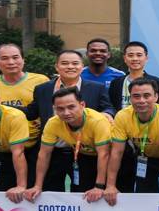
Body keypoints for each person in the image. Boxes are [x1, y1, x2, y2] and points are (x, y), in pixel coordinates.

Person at [26, 49, 114, 190]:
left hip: (82, 152)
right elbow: (31, 112)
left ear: (82, 66)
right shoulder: (43, 89)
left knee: (82, 192)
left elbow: (108, 107)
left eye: (75, 63)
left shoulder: (96, 87)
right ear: (56, 66)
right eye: (65, 63)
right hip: (54, 149)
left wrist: (107, 114)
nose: (70, 67)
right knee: (49, 192)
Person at [105, 78, 159, 207]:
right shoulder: (122, 116)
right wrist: (110, 186)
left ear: (156, 97)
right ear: (130, 99)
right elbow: (116, 152)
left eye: (147, 96)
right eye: (136, 96)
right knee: (144, 198)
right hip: (146, 158)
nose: (141, 100)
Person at [25, 87, 111, 201]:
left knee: (105, 194)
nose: (66, 113)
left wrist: (99, 186)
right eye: (60, 109)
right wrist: (37, 186)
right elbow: (44, 154)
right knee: (82, 193)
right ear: (54, 109)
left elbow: (104, 154)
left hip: (110, 157)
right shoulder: (53, 123)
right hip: (84, 155)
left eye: (71, 107)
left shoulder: (97, 121)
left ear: (82, 104)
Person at [0, 42, 48, 185]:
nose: (11, 62)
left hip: (34, 148)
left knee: (35, 193)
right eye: (5, 58)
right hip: (3, 150)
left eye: (16, 57)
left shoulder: (41, 81)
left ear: (23, 60)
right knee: (2, 194)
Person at [109, 41, 159, 112]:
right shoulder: (116, 83)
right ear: (125, 58)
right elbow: (112, 108)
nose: (135, 59)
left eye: (139, 55)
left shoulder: (158, 83)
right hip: (122, 122)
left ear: (146, 58)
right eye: (130, 55)